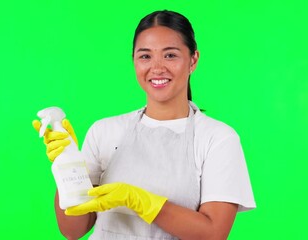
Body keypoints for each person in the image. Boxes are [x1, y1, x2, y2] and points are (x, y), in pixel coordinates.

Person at [33, 10, 255, 240]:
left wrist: (139, 200)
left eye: (170, 55)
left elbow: (213, 234)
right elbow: (73, 230)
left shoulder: (217, 139)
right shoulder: (104, 131)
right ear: (134, 61)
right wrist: (68, 165)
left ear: (193, 60)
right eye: (145, 56)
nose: (157, 68)